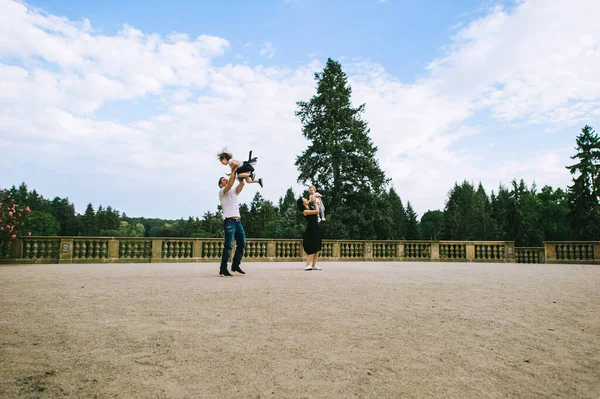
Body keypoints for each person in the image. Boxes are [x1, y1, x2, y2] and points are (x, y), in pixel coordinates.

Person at [217, 165, 247, 277]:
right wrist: (234, 171)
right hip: (229, 221)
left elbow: (241, 185)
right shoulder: (222, 192)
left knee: (242, 244)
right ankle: (223, 269)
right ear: (221, 184)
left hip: (238, 221)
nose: (225, 179)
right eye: (223, 180)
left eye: (225, 178)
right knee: (228, 245)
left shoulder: (233, 192)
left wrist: (241, 176)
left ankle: (235, 265)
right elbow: (230, 184)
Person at [297, 196, 322, 271]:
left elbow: (319, 207)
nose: (306, 198)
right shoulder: (305, 211)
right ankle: (308, 265)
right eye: (304, 199)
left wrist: (317, 199)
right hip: (311, 229)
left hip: (316, 228)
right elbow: (317, 211)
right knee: (312, 247)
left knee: (317, 247)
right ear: (303, 203)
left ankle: (314, 265)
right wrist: (314, 202)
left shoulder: (311, 207)